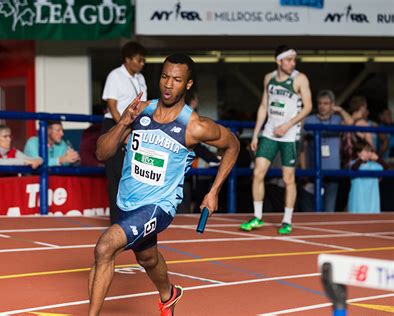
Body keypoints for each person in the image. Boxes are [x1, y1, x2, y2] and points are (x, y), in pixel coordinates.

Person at [89, 54, 239, 316]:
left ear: (188, 85)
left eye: (177, 80)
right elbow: (102, 153)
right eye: (165, 77)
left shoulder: (195, 126)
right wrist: (124, 121)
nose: (169, 85)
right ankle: (169, 295)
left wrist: (213, 192)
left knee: (105, 247)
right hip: (128, 201)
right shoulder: (141, 110)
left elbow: (233, 145)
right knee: (147, 258)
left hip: (160, 206)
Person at [240, 45, 312, 235]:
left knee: (288, 178)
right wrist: (256, 133)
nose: (292, 63)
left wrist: (288, 125)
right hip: (270, 132)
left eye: (294, 60)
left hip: (289, 134)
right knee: (258, 173)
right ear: (279, 61)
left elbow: (308, 106)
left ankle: (287, 220)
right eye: (289, 59)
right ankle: (257, 217)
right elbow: (264, 106)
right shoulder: (269, 78)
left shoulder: (299, 79)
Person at [101, 41, 147, 224]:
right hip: (115, 124)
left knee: (133, 173)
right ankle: (117, 220)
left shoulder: (140, 78)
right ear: (127, 59)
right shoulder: (116, 76)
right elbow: (112, 105)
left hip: (133, 128)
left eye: (143, 60)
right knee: (116, 174)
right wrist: (122, 128)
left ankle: (132, 215)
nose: (141, 63)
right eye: (138, 60)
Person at [300, 90, 353, 211]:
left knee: (329, 209)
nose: (322, 106)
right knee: (310, 210)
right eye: (320, 103)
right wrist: (303, 169)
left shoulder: (337, 119)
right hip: (312, 170)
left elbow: (351, 123)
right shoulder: (309, 120)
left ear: (332, 104)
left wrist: (340, 110)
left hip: (333, 170)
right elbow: (302, 145)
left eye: (326, 103)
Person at [348, 139, 388, 213]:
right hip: (358, 205)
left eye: (370, 151)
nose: (369, 153)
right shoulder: (353, 163)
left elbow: (386, 168)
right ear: (358, 153)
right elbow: (354, 168)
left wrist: (378, 159)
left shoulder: (374, 165)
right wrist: (361, 159)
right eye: (366, 151)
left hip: (372, 205)